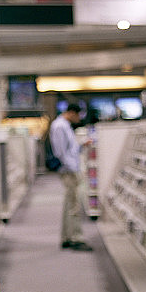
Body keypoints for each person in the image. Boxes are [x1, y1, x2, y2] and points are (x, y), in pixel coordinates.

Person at [49, 103, 93, 251]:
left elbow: (70, 149)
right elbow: (61, 152)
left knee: (70, 204)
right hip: (69, 171)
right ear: (72, 113)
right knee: (74, 204)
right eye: (78, 115)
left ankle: (67, 237)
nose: (79, 119)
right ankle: (75, 237)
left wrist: (81, 144)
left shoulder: (65, 125)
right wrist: (73, 169)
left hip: (70, 168)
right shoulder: (59, 126)